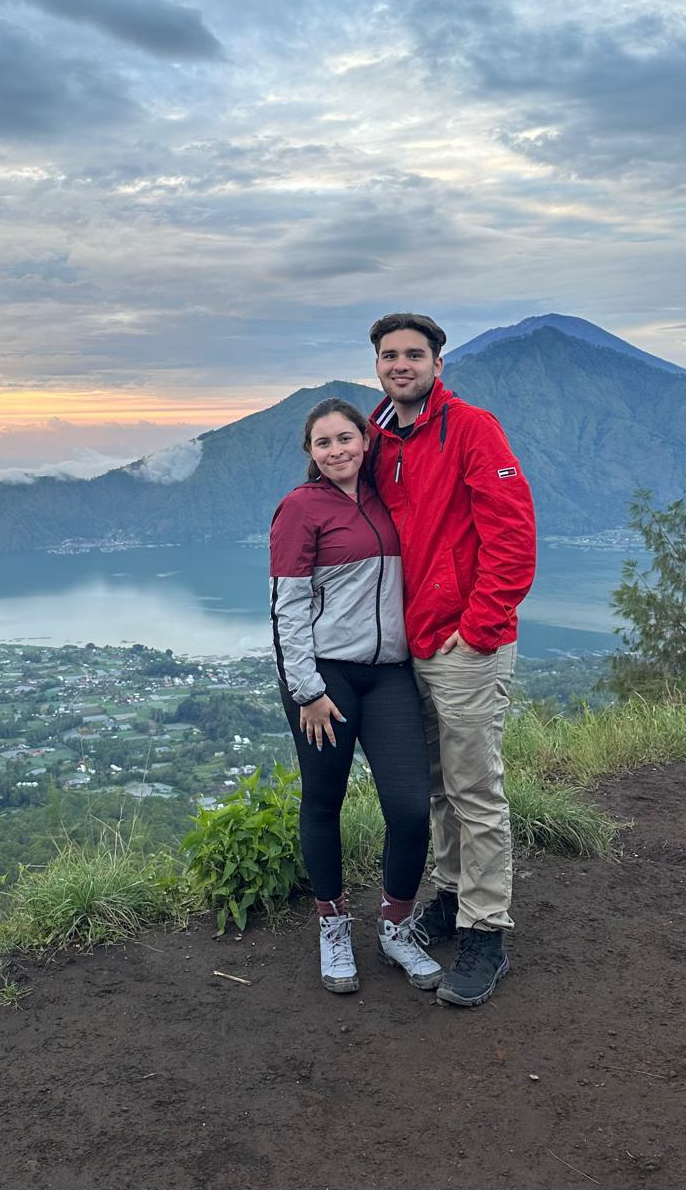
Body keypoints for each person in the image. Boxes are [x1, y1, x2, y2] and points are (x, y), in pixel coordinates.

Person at [367, 313, 536, 1009]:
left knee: (474, 789)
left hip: (464, 644)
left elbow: (512, 531)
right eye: (389, 356)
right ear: (377, 365)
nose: (400, 365)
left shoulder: (470, 428)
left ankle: (487, 932)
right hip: (409, 645)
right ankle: (453, 897)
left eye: (413, 354)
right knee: (436, 786)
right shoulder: (377, 435)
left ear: (439, 361)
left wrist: (481, 628)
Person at [270, 396, 439, 995]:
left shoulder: (387, 499)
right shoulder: (300, 508)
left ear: (367, 442)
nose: (337, 450)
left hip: (389, 671)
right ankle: (333, 923)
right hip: (326, 679)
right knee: (324, 800)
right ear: (311, 454)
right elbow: (286, 606)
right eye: (324, 443)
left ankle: (396, 925)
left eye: (347, 438)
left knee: (411, 807)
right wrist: (307, 689)